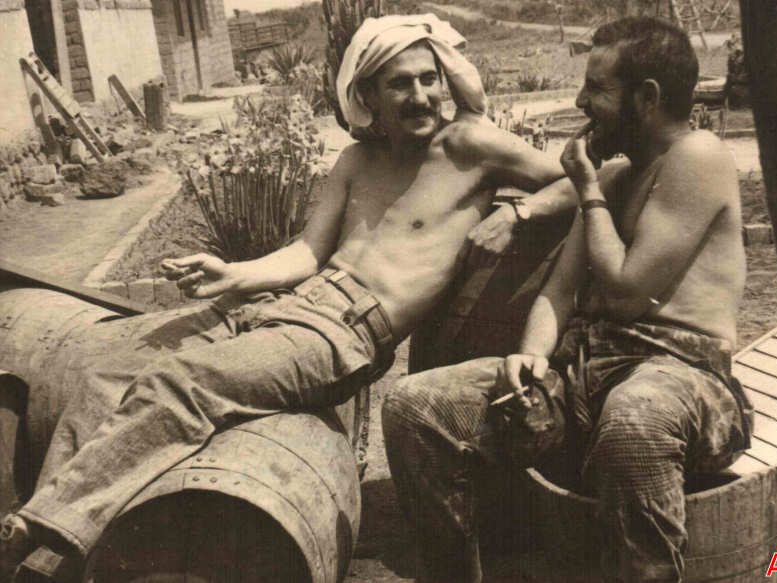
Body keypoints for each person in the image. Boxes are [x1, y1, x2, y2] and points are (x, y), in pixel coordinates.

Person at [0, 14, 576, 582]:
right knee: (107, 374)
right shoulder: (356, 161)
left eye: (429, 78)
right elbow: (307, 253)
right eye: (400, 83)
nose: (421, 96)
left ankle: (36, 532)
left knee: (179, 383)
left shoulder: (468, 146)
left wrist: (518, 213)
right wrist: (233, 274)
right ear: (368, 94)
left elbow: (583, 179)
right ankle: (52, 552)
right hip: (286, 304)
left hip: (342, 333)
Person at [382, 17, 754, 583]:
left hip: (684, 379)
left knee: (635, 419)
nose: (581, 102)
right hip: (587, 375)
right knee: (415, 405)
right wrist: (531, 356)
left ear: (647, 98)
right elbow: (558, 292)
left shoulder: (699, 155)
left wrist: (586, 189)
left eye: (596, 88)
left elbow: (626, 291)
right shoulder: (620, 175)